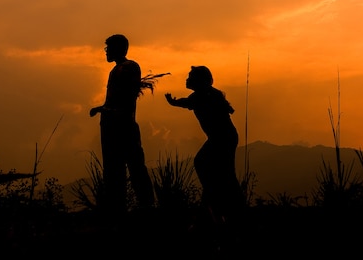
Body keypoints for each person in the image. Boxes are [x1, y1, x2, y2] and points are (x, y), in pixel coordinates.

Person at [165, 66, 246, 227]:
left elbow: (188, 103)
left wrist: (173, 102)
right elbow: (189, 102)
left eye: (190, 77)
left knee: (205, 164)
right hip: (223, 137)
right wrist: (174, 102)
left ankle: (220, 205)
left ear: (198, 80)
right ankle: (226, 207)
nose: (187, 79)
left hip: (222, 138)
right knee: (222, 171)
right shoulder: (207, 94)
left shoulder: (203, 95)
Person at [90, 34, 155, 215]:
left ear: (119, 49)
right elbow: (116, 100)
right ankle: (118, 208)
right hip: (112, 126)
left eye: (109, 48)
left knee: (132, 166)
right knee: (114, 168)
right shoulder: (118, 70)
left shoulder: (128, 68)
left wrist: (108, 111)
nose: (106, 52)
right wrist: (102, 109)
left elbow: (126, 100)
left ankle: (145, 206)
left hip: (122, 126)